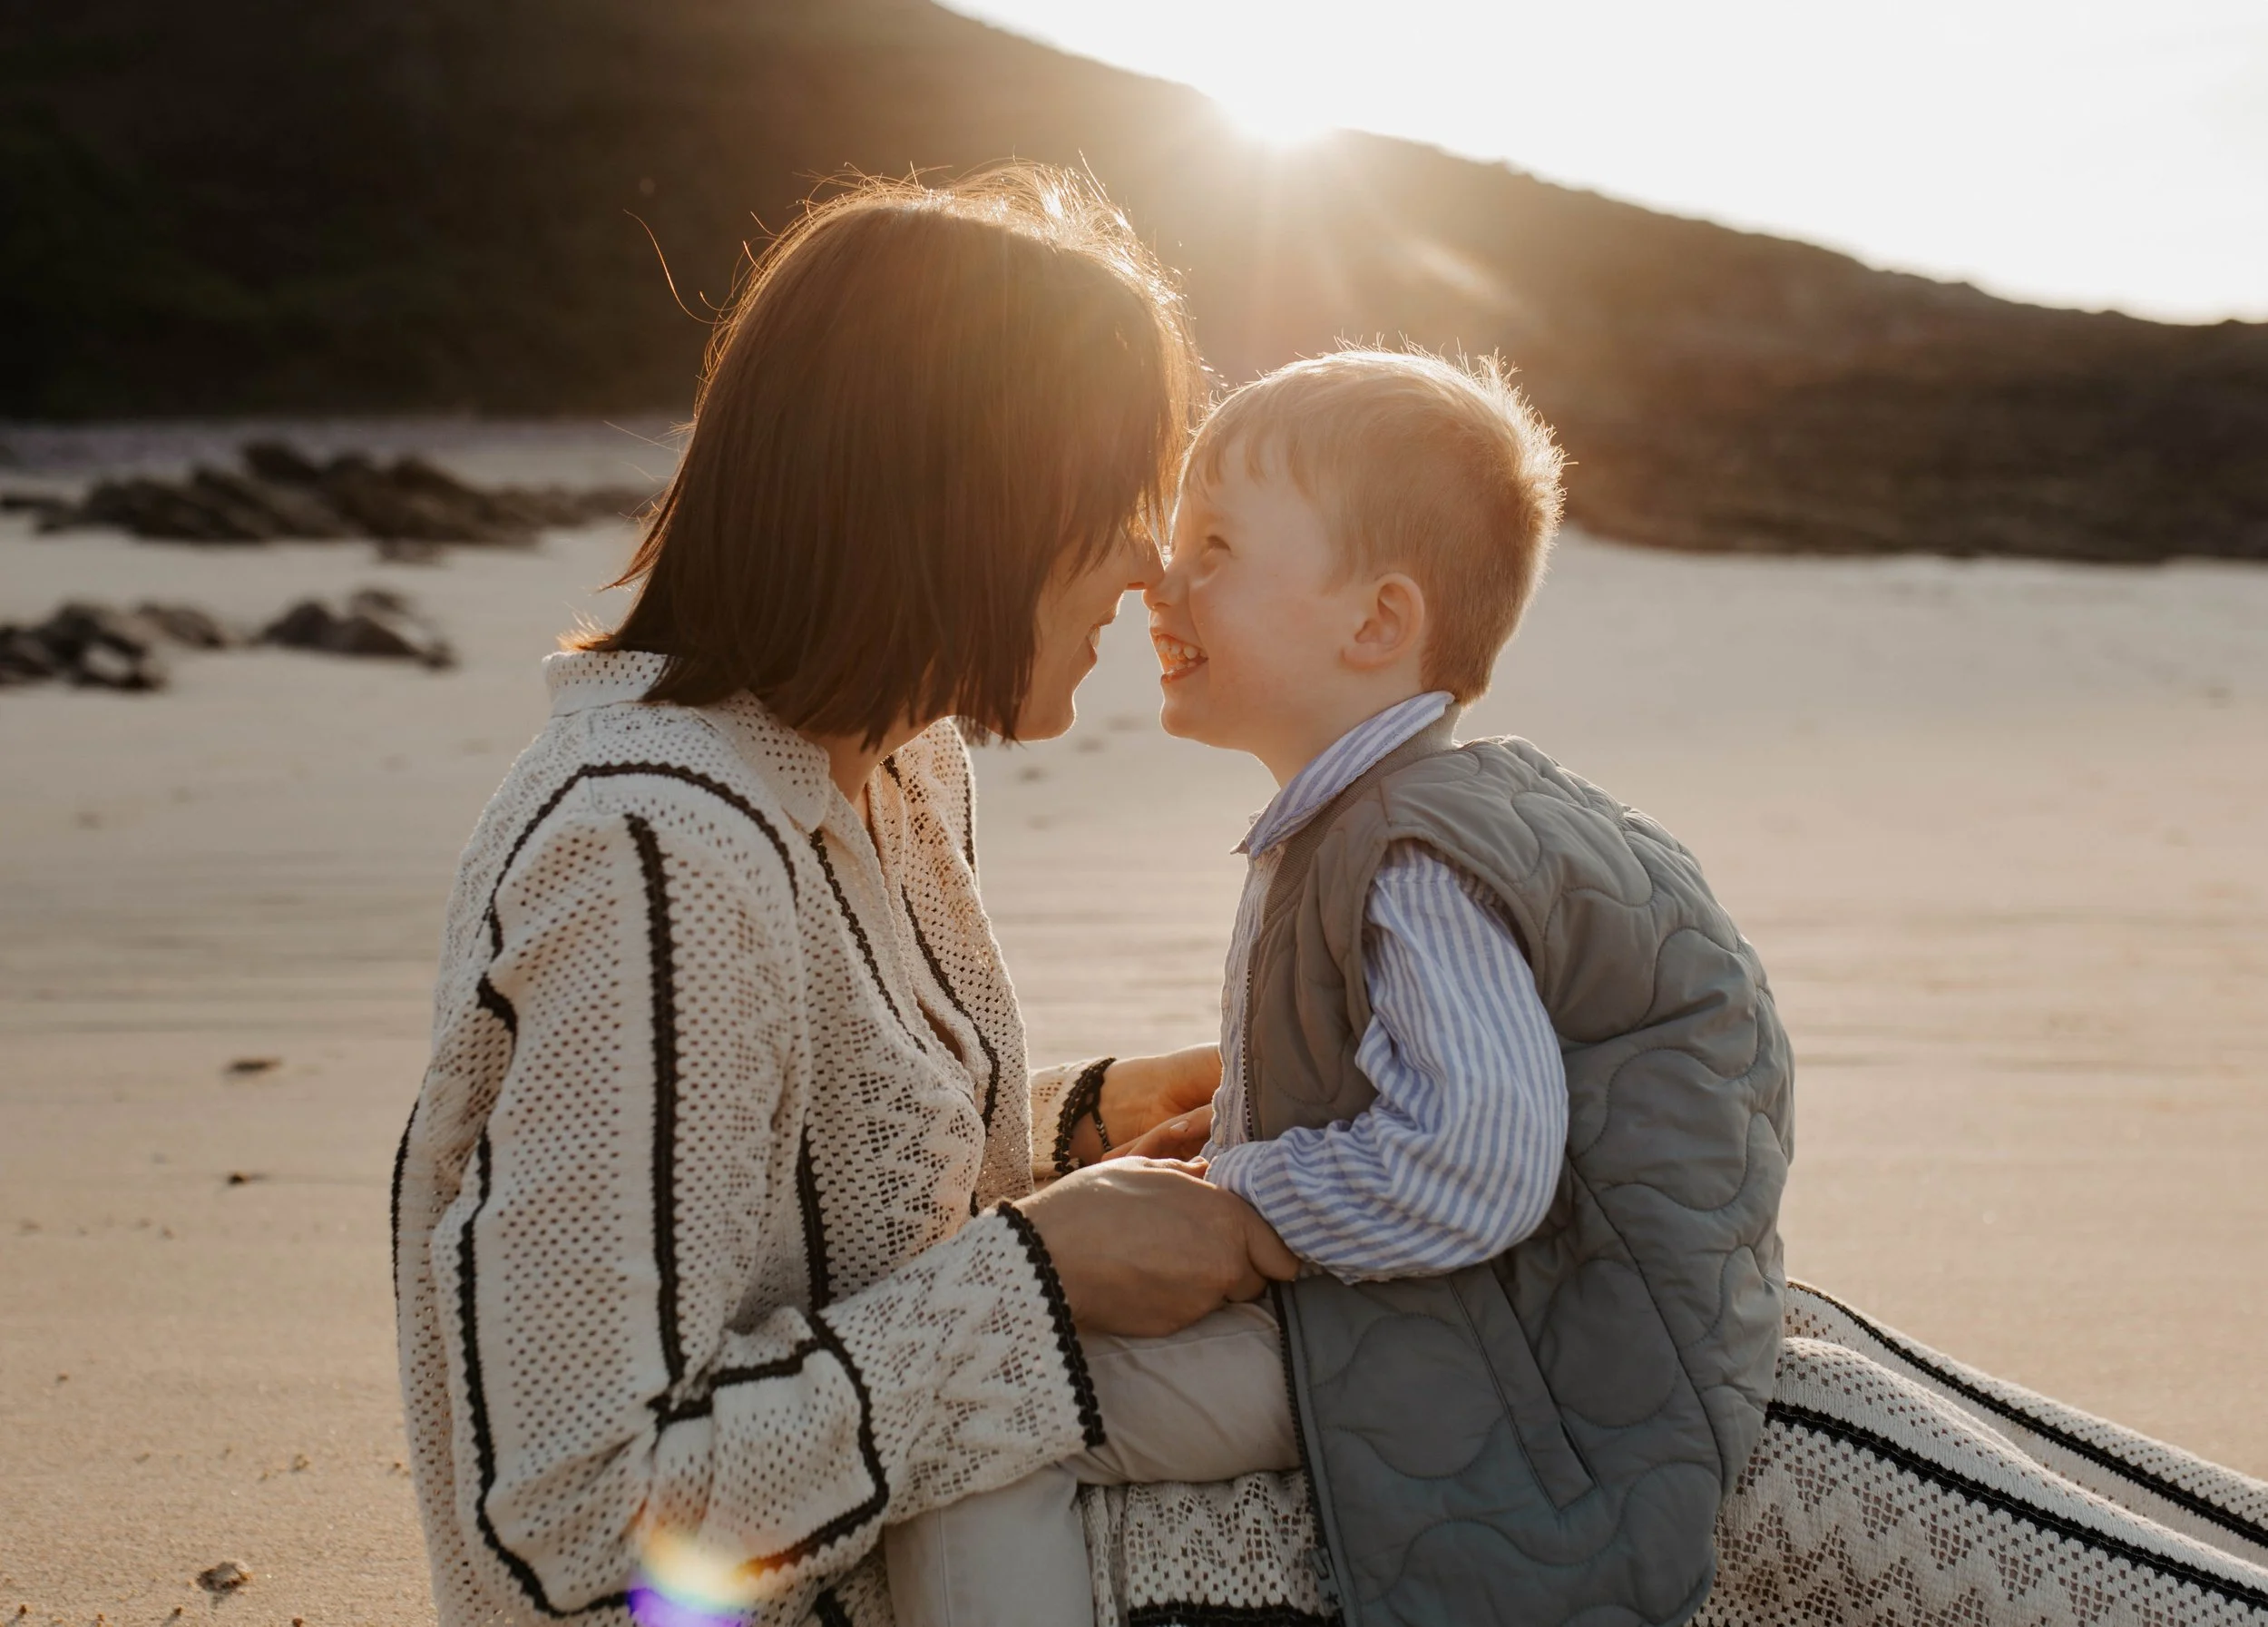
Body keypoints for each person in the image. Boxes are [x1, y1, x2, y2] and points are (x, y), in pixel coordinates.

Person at [888, 349, 2268, 1627]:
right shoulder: (1366, 822)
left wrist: (1244, 1217)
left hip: (1469, 1348)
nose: (1160, 586)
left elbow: (1476, 1163)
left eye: (1216, 551)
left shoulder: (1412, 854)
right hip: (1426, 1310)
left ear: (1379, 621)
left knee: (977, 1420)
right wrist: (1235, 1146)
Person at [389, 165, 1297, 1627]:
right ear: (962, 495)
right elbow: (565, 1528)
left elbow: (817, 1213)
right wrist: (1044, 1280)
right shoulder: (648, 855)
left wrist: (1084, 1129)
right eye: (1115, 493)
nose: (1147, 563)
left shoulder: (903, 770)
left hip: (948, 1538)